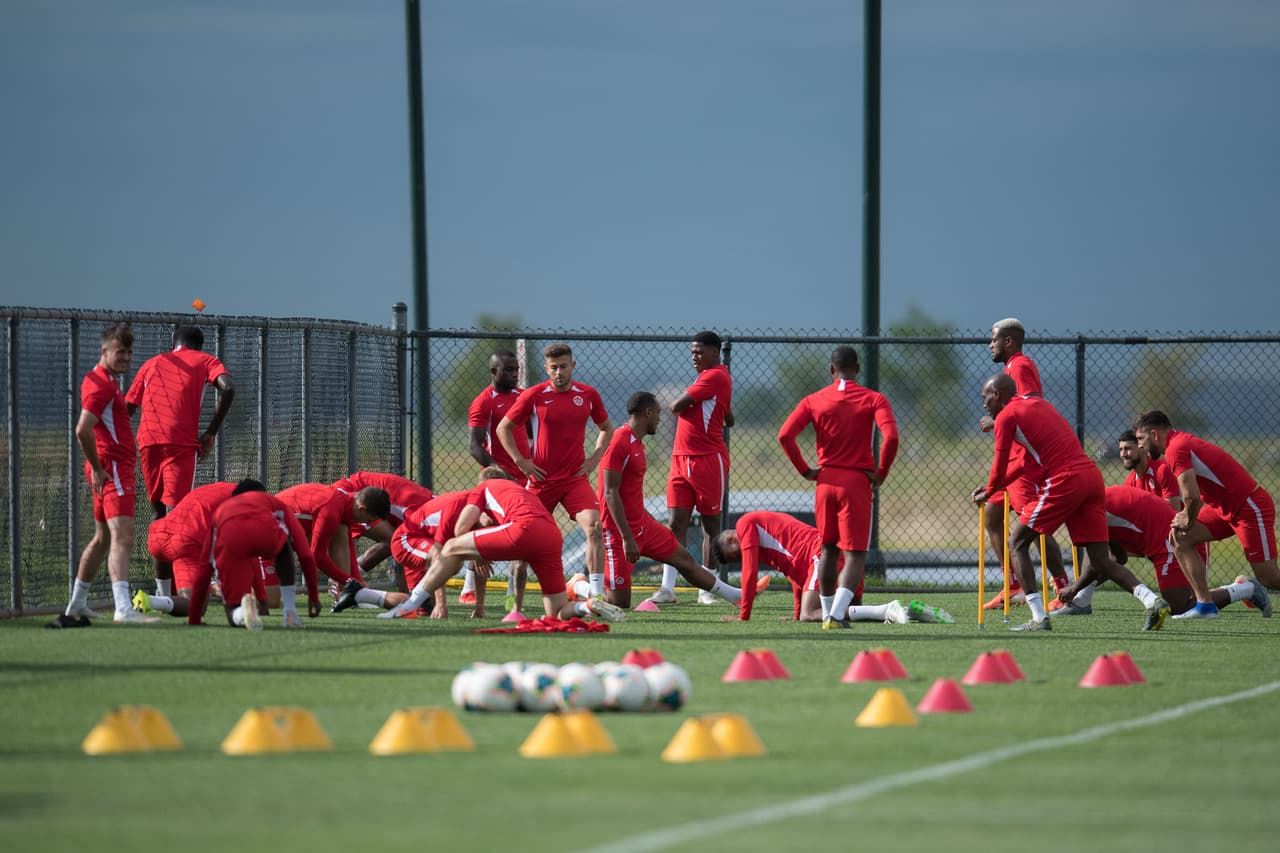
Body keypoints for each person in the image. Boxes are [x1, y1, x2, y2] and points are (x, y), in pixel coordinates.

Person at [971, 373, 1170, 631]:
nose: (984, 403)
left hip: (1065, 479)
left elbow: (999, 466)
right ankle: (1152, 601)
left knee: (1017, 541)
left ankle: (1039, 617)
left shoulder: (1006, 417)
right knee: (1100, 560)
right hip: (1091, 476)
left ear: (997, 394)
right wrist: (993, 488)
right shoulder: (1038, 404)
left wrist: (989, 490)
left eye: (985, 397)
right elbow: (1022, 462)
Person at [379, 469, 626, 623]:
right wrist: (481, 547)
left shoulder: (482, 489)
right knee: (556, 613)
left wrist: (476, 551)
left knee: (451, 547)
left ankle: (410, 605)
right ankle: (586, 605)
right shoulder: (519, 491)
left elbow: (460, 529)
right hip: (551, 537)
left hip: (524, 530)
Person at [778, 346, 899, 630]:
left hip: (825, 482)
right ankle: (834, 614)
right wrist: (881, 473)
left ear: (831, 369)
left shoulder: (813, 400)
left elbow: (785, 435)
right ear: (857, 369)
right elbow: (892, 437)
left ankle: (828, 612)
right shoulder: (874, 399)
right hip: (856, 482)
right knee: (855, 554)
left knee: (829, 550)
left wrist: (806, 470)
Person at [588, 392, 741, 609]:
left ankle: (736, 595)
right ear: (647, 413)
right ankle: (580, 587)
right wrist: (627, 538)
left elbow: (630, 494)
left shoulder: (637, 443)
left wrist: (646, 519)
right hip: (619, 534)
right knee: (619, 604)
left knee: (684, 559)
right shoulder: (619, 442)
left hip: (643, 526)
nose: (660, 419)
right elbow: (610, 493)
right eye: (658, 413)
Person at [51, 323, 155, 627]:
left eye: (129, 352)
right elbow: (82, 429)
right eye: (120, 352)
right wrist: (98, 468)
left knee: (103, 538)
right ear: (104, 350)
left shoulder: (103, 379)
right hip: (112, 470)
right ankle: (123, 608)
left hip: (107, 468)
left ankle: (77, 602)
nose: (126, 358)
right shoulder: (102, 386)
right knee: (123, 537)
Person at [1133, 410, 1280, 617]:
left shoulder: (1175, 448)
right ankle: (1205, 606)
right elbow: (1199, 493)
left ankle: (1230, 595)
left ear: (1154, 434)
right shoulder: (1178, 445)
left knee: (1269, 578)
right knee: (1180, 537)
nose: (1139, 445)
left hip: (1249, 507)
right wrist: (1186, 517)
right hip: (1225, 510)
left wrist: (1187, 516)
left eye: (1141, 438)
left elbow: (1192, 497)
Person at [495, 343, 614, 597]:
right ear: (547, 369)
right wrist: (521, 461)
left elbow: (606, 428)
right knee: (524, 538)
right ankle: (512, 600)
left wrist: (594, 459)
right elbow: (503, 428)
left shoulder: (588, 395)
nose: (559, 372)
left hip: (574, 480)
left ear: (573, 366)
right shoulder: (534, 395)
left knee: (595, 527)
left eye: (563, 366)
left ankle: (596, 597)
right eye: (553, 368)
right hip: (541, 481)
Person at [125, 324, 234, 597]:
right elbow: (228, 388)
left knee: (158, 516)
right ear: (199, 346)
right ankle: (188, 587)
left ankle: (164, 593)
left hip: (147, 441)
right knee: (179, 516)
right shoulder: (206, 360)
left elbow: (127, 407)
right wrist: (211, 432)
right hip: (180, 444)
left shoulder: (152, 363)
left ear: (174, 343)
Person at [1054, 486, 1269, 618]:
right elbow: (1117, 558)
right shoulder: (1093, 501)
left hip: (1168, 539)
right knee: (1095, 553)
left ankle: (1247, 589)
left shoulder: (1087, 511)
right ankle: (1081, 602)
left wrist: (1073, 587)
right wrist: (1080, 588)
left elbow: (1097, 563)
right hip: (1157, 537)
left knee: (1180, 606)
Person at [713, 510, 952, 624]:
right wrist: (796, 615)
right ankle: (910, 611)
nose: (741, 560)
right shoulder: (766, 541)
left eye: (735, 557)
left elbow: (750, 572)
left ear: (732, 539)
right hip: (833, 558)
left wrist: (743, 617)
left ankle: (888, 609)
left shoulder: (745, 525)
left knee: (811, 615)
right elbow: (794, 575)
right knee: (846, 613)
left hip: (821, 557)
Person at [979, 318, 1070, 611]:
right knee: (992, 515)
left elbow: (1030, 407)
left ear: (1009, 341)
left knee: (1035, 526)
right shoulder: (1009, 369)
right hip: (1012, 459)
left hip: (1023, 461)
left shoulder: (1019, 366)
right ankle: (1014, 584)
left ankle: (1063, 587)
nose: (990, 344)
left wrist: (996, 421)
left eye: (994, 339)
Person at [649, 332, 734, 606]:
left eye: (699, 352)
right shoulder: (706, 378)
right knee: (676, 524)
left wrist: (687, 405)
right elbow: (727, 415)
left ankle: (706, 589)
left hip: (707, 459)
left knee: (710, 525)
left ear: (715, 352)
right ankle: (667, 589)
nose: (694, 357)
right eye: (692, 352)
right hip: (680, 459)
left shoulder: (716, 375)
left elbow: (675, 406)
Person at [187, 480, 321, 629]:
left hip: (232, 536)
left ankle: (242, 613)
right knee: (285, 543)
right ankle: (290, 612)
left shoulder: (221, 510)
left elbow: (204, 569)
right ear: (262, 493)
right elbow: (305, 554)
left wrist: (194, 617)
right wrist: (313, 596)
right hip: (266, 532)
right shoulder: (274, 502)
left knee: (232, 611)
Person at [464, 349, 531, 612]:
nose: (515, 374)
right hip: (498, 481)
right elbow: (474, 446)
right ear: (494, 372)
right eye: (509, 370)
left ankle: (512, 597)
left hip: (525, 479)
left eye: (516, 370)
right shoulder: (483, 402)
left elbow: (530, 433)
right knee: (485, 527)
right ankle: (470, 587)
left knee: (521, 534)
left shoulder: (523, 397)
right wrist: (501, 473)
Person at [132, 480, 238, 618]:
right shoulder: (245, 503)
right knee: (196, 606)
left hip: (157, 533)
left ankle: (162, 596)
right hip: (185, 541)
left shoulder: (219, 489)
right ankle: (150, 601)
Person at [275, 482, 391, 597]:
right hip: (270, 526)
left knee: (341, 530)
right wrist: (348, 580)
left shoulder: (347, 502)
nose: (366, 524)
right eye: (368, 520)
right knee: (272, 597)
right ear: (361, 508)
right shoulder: (331, 511)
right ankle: (345, 589)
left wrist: (356, 580)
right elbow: (317, 556)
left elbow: (347, 543)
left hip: (287, 527)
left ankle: (346, 593)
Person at [330, 471, 434, 596]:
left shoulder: (431, 508)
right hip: (352, 496)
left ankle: (349, 581)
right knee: (398, 542)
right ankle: (343, 583)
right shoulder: (421, 515)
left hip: (359, 495)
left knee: (399, 543)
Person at [1118, 429, 1179, 503]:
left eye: (1127, 448)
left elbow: (1173, 509)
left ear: (1142, 448)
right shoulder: (1130, 482)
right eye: (1121, 449)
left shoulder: (1162, 470)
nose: (1123, 454)